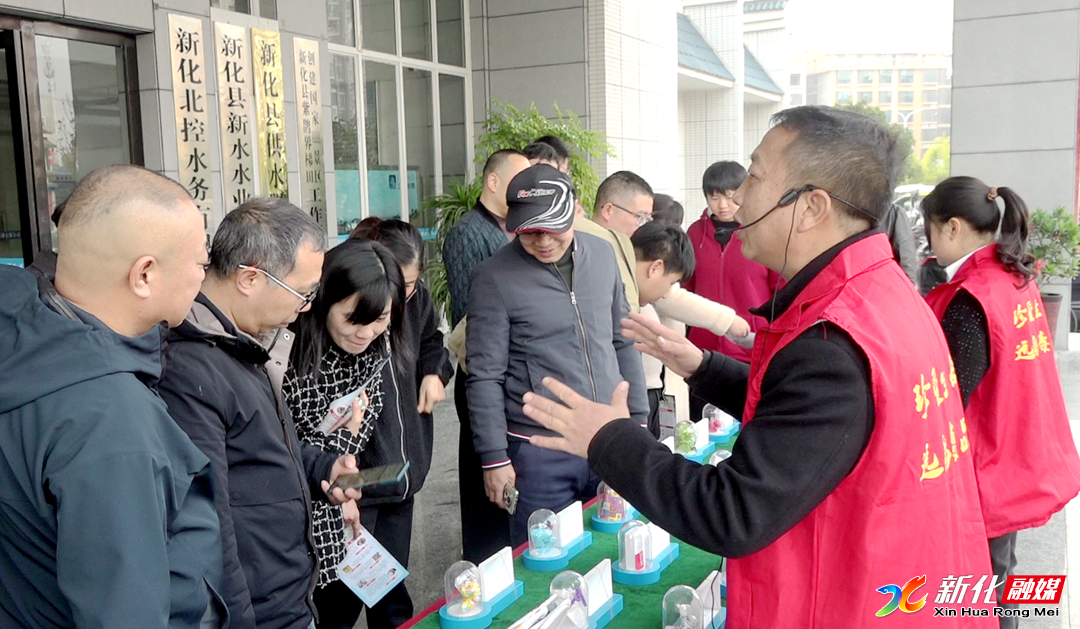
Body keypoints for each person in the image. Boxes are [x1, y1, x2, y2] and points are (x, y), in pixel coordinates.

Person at [521, 106, 994, 628]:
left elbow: (732, 513)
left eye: (756, 176)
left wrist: (607, 438)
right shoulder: (880, 294)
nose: (739, 198)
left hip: (856, 603)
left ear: (811, 207)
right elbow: (813, 421)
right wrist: (704, 366)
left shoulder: (833, 340)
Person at [0, 165, 226, 629]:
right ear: (144, 274)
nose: (202, 278)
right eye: (201, 263)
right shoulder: (109, 420)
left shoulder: (24, 343)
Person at [159, 198, 362, 629]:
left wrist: (323, 467)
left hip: (287, 597)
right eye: (303, 293)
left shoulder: (241, 342)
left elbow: (261, 447)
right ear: (250, 278)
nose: (305, 308)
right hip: (257, 611)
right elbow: (210, 520)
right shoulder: (191, 367)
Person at [922, 177, 1080, 628]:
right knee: (1000, 576)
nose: (929, 245)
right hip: (1015, 452)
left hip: (984, 465)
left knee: (980, 588)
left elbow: (949, 395)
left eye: (931, 231)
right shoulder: (1013, 278)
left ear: (953, 227)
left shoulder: (972, 297)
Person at [467, 163, 648, 545]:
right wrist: (494, 457)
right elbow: (485, 375)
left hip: (609, 435)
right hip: (539, 452)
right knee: (545, 560)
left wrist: (638, 420)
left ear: (573, 212)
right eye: (530, 232)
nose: (543, 241)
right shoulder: (493, 277)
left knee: (614, 545)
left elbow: (622, 340)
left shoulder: (603, 254)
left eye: (553, 228)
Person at [285, 238, 426, 629]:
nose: (366, 333)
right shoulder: (287, 353)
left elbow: (363, 422)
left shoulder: (377, 349)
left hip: (340, 497)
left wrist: (343, 476)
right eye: (353, 319)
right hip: (293, 507)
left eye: (380, 320)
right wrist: (334, 464)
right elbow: (280, 442)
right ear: (323, 299)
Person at [441, 148, 530, 562]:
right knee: (484, 479)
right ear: (493, 182)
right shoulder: (468, 232)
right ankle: (486, 567)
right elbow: (469, 315)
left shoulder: (517, 228)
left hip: (511, 376)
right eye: (518, 180)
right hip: (481, 372)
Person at [685, 161, 782, 364]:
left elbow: (780, 289)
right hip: (703, 344)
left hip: (752, 343)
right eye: (714, 198)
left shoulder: (761, 232)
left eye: (729, 197)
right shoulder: (695, 233)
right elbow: (687, 285)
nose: (722, 205)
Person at [630, 222, 696, 436]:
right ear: (655, 268)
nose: (667, 294)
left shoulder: (637, 301)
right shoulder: (622, 305)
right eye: (671, 283)